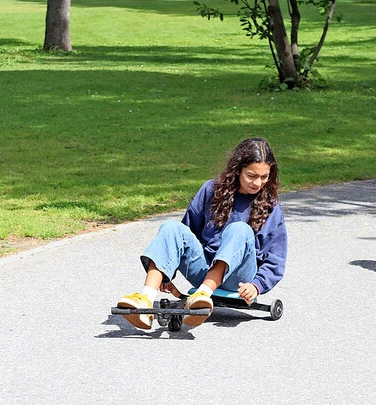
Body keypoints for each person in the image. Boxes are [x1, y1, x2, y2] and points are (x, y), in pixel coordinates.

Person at [116, 137, 288, 329]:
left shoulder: (271, 207)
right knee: (171, 227)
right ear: (238, 169)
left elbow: (276, 259)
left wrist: (256, 285)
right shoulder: (211, 190)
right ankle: (145, 301)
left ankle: (202, 295)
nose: (257, 182)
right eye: (251, 175)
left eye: (264, 177)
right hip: (203, 270)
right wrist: (166, 273)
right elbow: (184, 235)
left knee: (239, 229)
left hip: (238, 278)